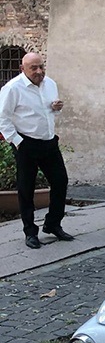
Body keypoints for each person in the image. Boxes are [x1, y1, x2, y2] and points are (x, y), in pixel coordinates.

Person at [0, 53, 73, 248]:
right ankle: (30, 232)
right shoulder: (12, 88)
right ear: (23, 69)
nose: (39, 71)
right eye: (34, 68)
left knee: (60, 181)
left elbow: (49, 109)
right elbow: (2, 118)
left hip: (49, 141)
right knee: (26, 189)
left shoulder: (50, 83)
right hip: (26, 144)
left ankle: (53, 224)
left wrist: (56, 107)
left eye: (41, 67)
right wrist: (17, 142)